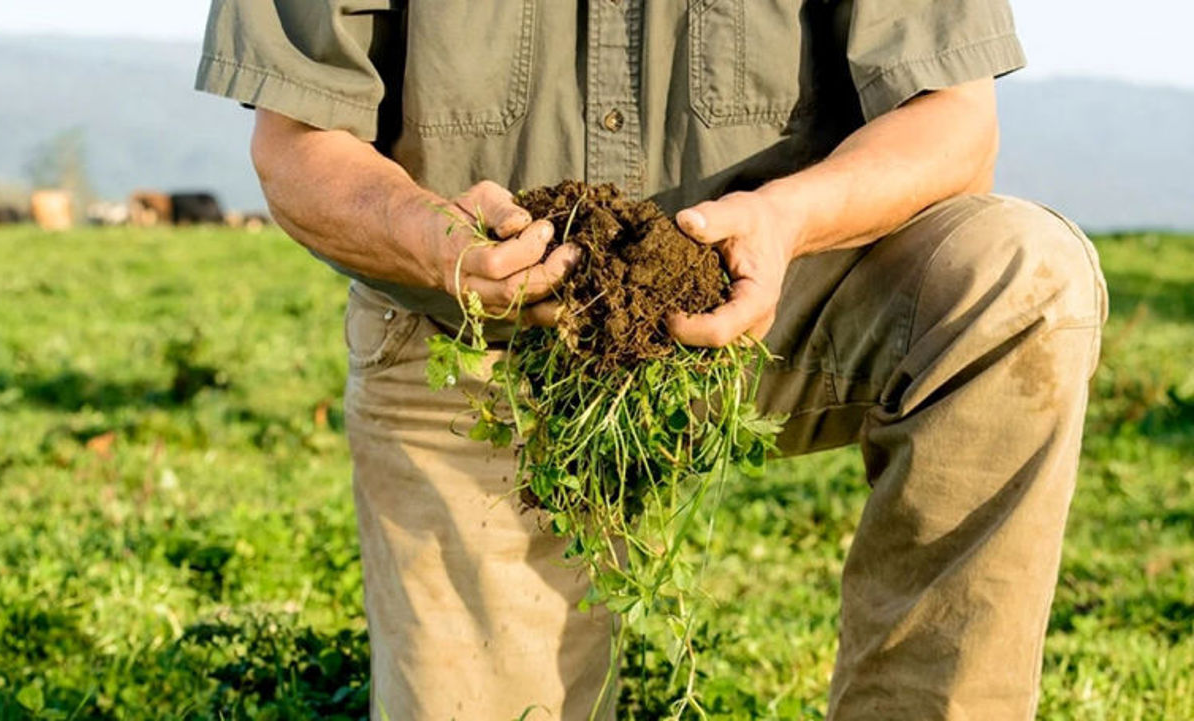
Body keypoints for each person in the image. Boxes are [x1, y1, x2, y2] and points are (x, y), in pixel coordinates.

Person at [197, 2, 1107, 719]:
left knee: (1023, 277)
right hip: (476, 342)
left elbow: (953, 122)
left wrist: (789, 216)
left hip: (774, 296)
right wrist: (435, 243)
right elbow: (295, 143)